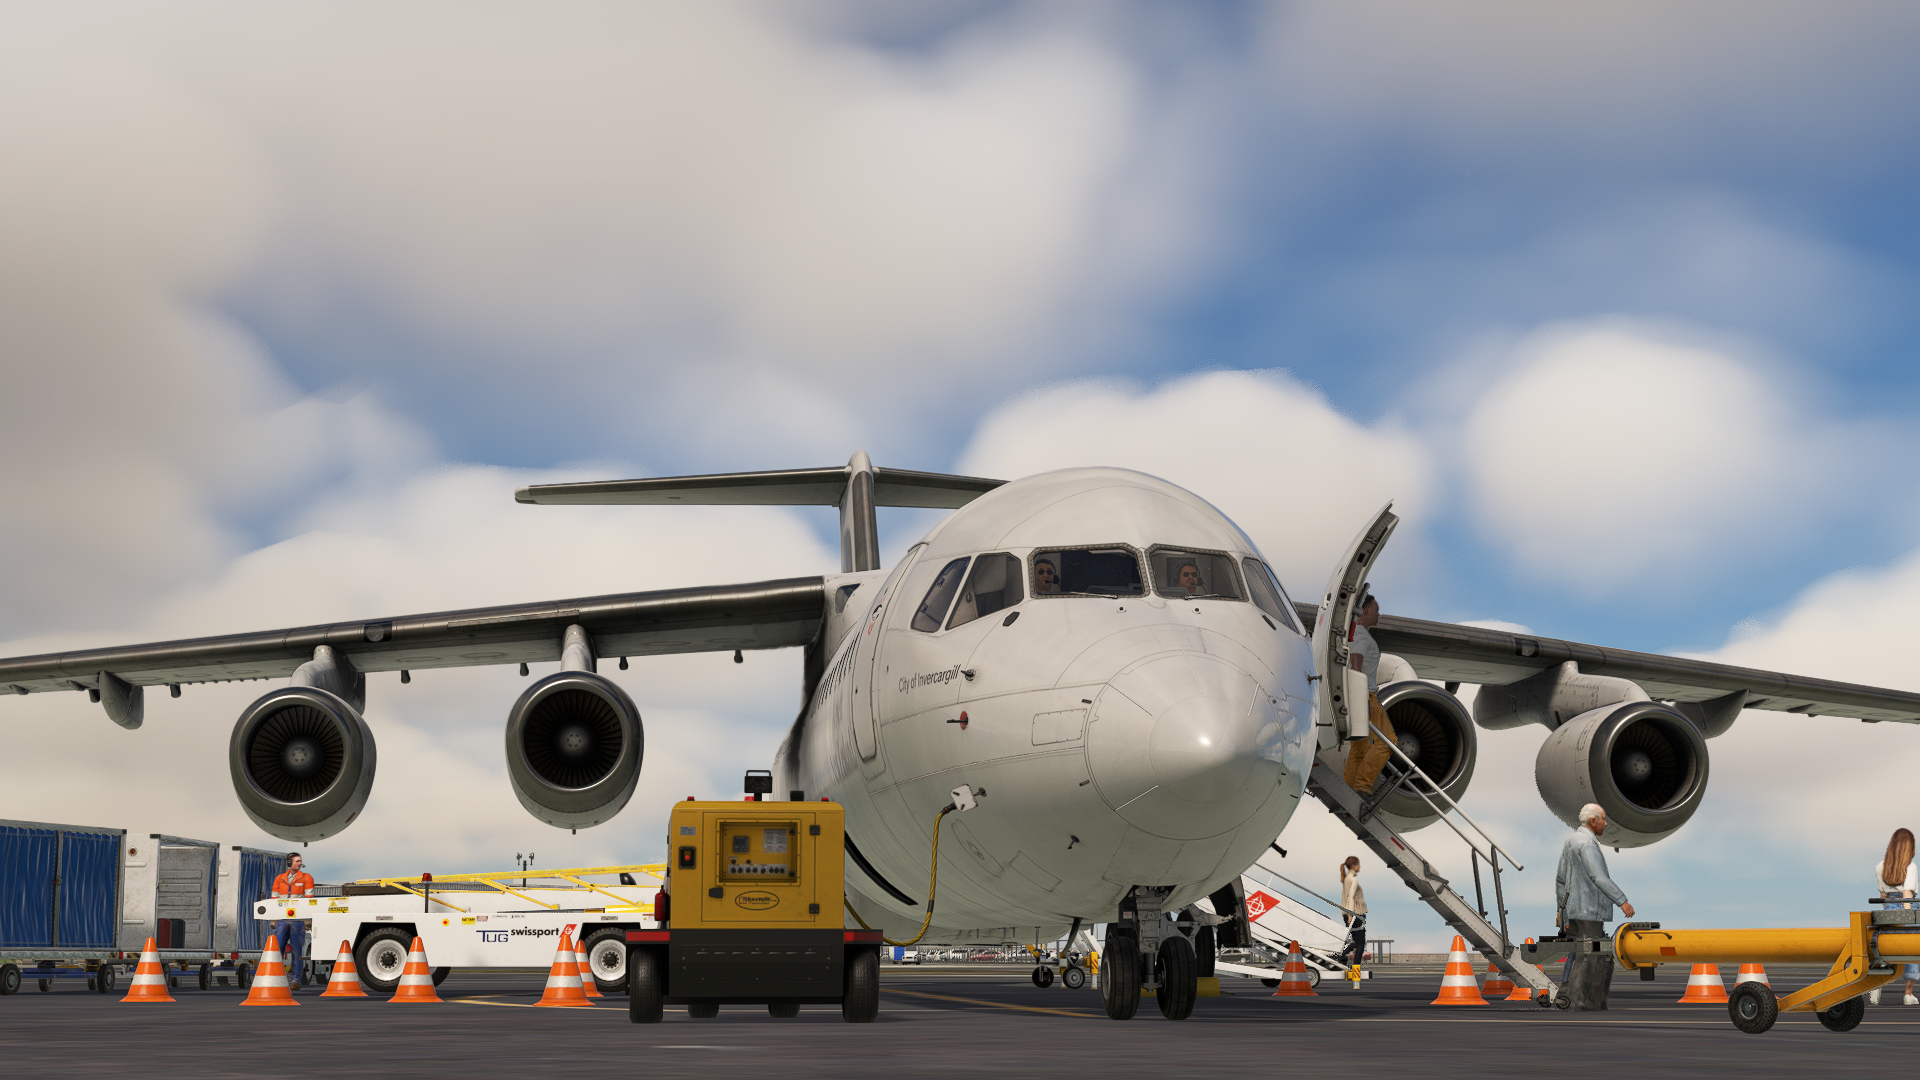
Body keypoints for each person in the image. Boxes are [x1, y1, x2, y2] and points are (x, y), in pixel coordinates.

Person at [1555, 803, 1635, 1010]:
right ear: (1593, 821)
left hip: (1574, 910)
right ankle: (1580, 1002)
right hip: (1588, 910)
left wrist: (1562, 913)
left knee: (1590, 954)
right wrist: (1622, 901)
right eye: (1603, 820)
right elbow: (1598, 877)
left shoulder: (1571, 841)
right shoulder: (1588, 844)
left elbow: (1561, 880)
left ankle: (1591, 1002)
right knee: (1591, 956)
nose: (1606, 824)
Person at [1341, 594, 1397, 794]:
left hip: (1356, 694)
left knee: (1359, 749)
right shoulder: (1360, 635)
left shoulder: (1355, 633)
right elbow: (1356, 662)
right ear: (1365, 611)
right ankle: (1363, 787)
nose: (1378, 614)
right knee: (1388, 742)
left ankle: (1349, 791)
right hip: (1365, 695)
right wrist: (1362, 698)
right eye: (1376, 610)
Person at [1872, 828, 1919, 1006]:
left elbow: (1883, 896)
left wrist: (1889, 911)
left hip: (1888, 909)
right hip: (1907, 907)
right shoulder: (1910, 867)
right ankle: (1908, 993)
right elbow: (1907, 893)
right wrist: (1908, 916)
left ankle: (1877, 985)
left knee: (1886, 948)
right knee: (1913, 949)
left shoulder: (1880, 866)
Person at [271, 853, 315, 987]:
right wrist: (274, 918)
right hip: (282, 919)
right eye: (297, 861)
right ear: (289, 863)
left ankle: (295, 981)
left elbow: (309, 900)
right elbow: (274, 899)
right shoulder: (279, 878)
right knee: (277, 950)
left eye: (300, 861)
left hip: (298, 919)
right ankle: (276, 980)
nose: (299, 863)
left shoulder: (306, 878)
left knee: (296, 950)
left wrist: (307, 918)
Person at [1337, 856, 1368, 966]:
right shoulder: (1353, 880)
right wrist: (1350, 915)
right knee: (1361, 944)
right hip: (1355, 914)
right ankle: (1356, 968)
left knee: (1356, 942)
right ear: (1354, 866)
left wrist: (1348, 915)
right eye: (1358, 864)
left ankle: (1340, 957)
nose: (1360, 867)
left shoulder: (1346, 879)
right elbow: (1350, 898)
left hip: (1348, 914)